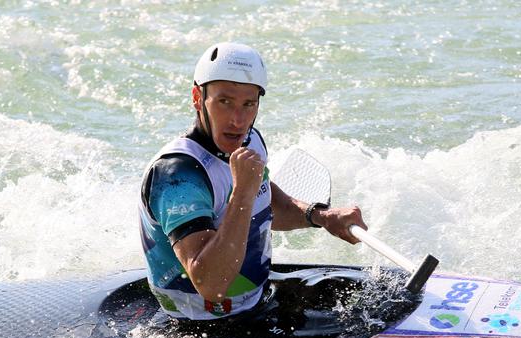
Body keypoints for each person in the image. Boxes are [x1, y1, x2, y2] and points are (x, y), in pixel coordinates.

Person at [139, 42, 367, 320]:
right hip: (201, 326)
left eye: (249, 104)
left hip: (256, 300)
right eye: (225, 102)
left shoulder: (250, 141)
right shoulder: (177, 176)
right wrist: (242, 192)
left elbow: (264, 202)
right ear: (198, 98)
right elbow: (211, 284)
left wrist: (319, 216)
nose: (238, 120)